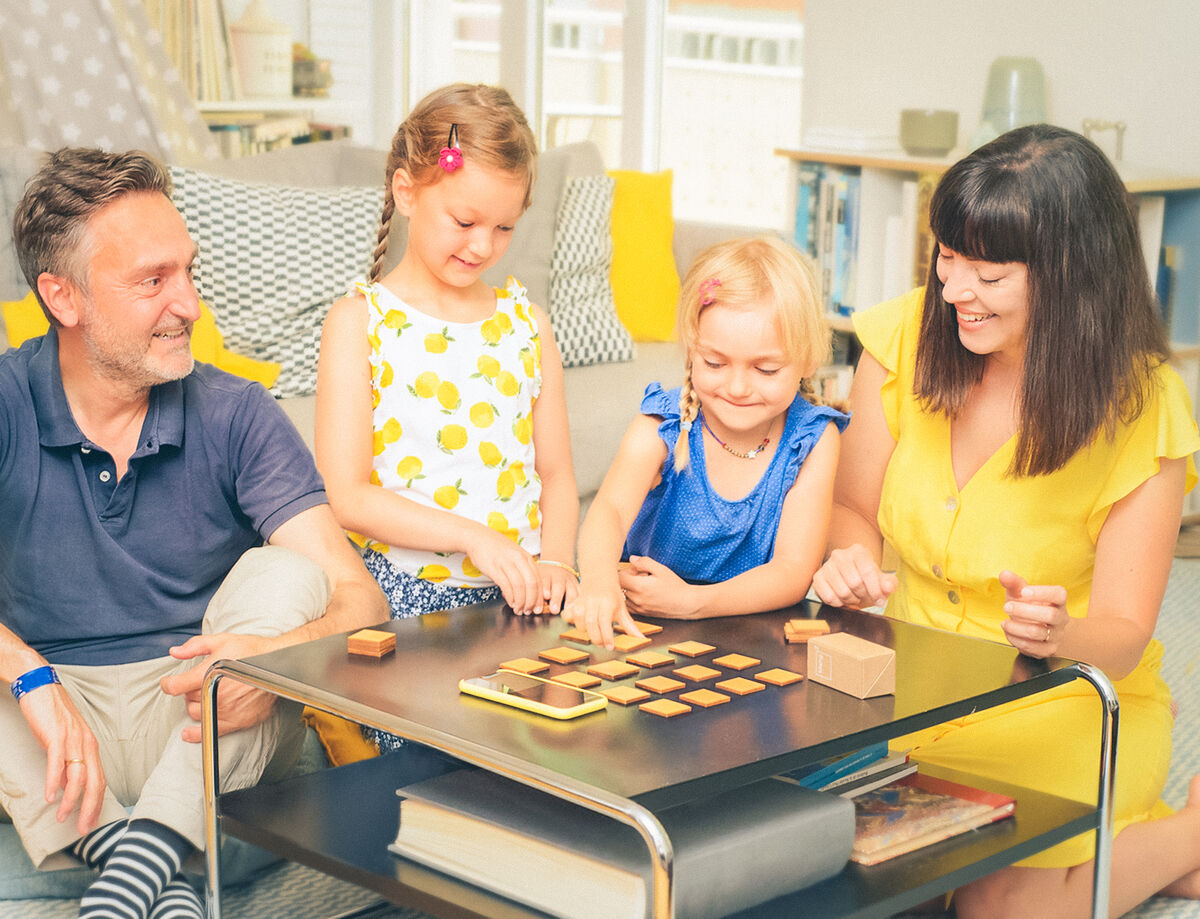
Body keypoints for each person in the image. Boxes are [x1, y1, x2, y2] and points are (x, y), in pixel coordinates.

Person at [811, 124, 1200, 918]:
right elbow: (852, 509)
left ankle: (1186, 836)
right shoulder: (899, 337)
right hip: (906, 688)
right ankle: (1140, 859)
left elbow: (1124, 629)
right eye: (948, 258)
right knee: (820, 858)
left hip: (1062, 697)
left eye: (988, 272)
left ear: (1070, 277)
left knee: (993, 902)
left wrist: (1059, 632)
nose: (955, 291)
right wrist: (850, 562)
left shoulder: (1145, 404)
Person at [1, 148, 387, 919]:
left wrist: (268, 657)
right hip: (47, 728)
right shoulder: (9, 400)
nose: (191, 306)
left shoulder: (237, 413)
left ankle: (127, 873)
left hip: (204, 717)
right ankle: (149, 871)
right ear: (62, 296)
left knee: (290, 577)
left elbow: (360, 599)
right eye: (153, 281)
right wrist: (28, 675)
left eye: (188, 271)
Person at [315, 84, 578, 745]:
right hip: (409, 603)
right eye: (465, 221)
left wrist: (561, 566)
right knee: (443, 763)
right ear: (407, 193)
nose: (485, 245)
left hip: (518, 606)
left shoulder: (528, 324)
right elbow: (346, 495)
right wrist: (473, 537)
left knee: (566, 751)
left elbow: (558, 474)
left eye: (504, 227)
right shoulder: (359, 322)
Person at [563, 235, 847, 648]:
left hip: (753, 634)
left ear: (808, 359)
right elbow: (607, 511)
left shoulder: (814, 439)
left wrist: (693, 602)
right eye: (715, 363)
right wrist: (600, 583)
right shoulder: (662, 423)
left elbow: (792, 571)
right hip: (651, 630)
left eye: (765, 369)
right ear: (692, 349)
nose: (736, 386)